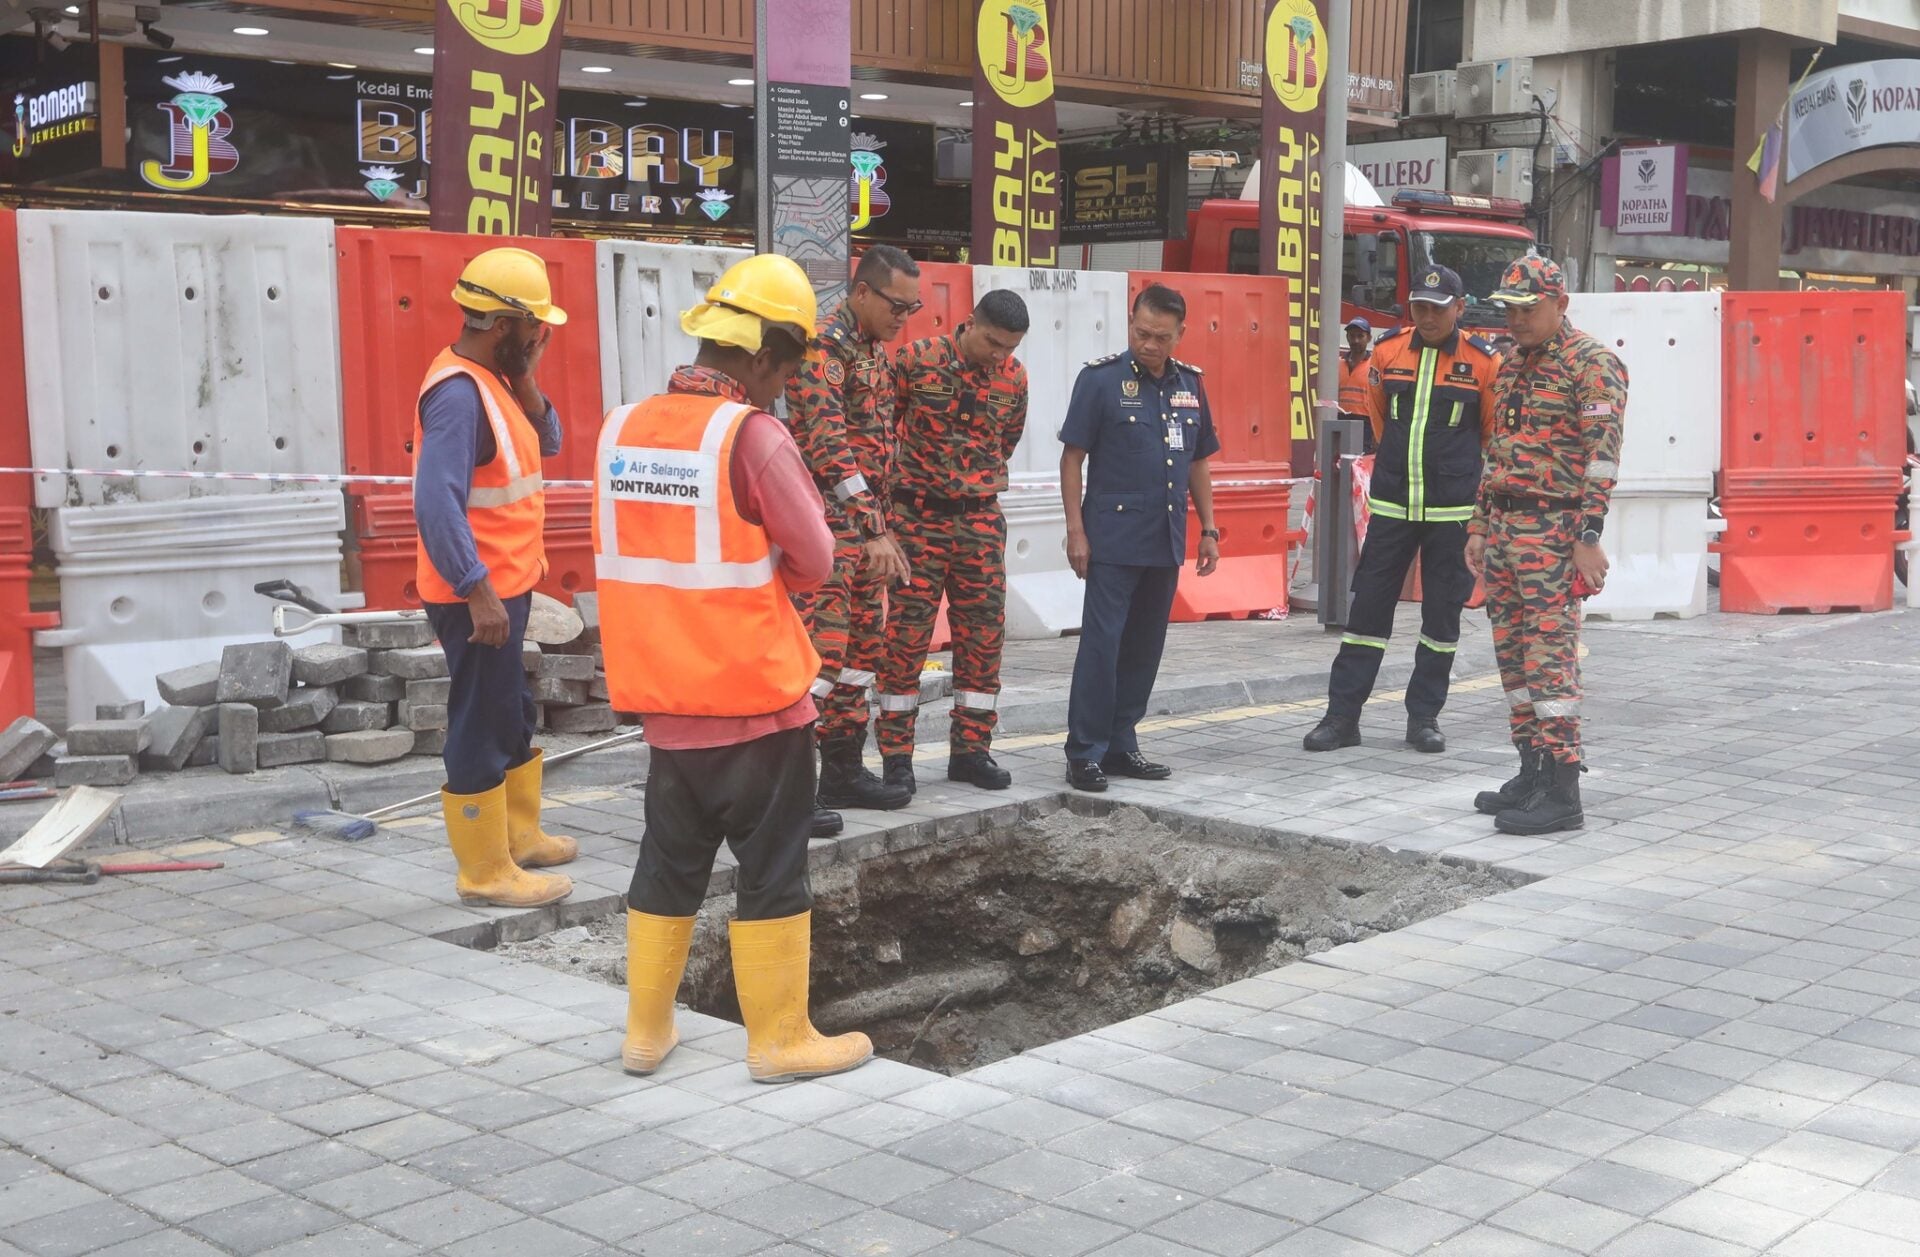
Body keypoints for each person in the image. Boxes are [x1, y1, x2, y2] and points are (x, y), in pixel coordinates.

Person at [596, 253, 872, 1084]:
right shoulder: (750, 435)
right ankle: (779, 1038)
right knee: (772, 868)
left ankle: (646, 1031)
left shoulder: (623, 427)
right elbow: (818, 557)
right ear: (757, 354)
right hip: (757, 700)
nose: (784, 385)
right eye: (786, 367)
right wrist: (775, 571)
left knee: (667, 863)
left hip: (668, 706)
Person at [413, 247, 576, 909]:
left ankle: (520, 836)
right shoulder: (458, 396)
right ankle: (484, 871)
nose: (542, 336)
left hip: (505, 586)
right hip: (475, 593)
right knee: (479, 724)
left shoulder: (497, 380)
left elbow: (553, 440)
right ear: (500, 323)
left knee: (509, 713)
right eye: (534, 326)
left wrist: (530, 378)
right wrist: (475, 586)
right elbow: (434, 500)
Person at [1303, 265, 1501, 756]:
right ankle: (1342, 718)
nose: (1427, 316)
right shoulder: (1387, 352)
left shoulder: (1483, 363)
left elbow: (1491, 434)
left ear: (1459, 308)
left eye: (1437, 307)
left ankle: (1424, 718)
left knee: (1441, 622)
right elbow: (1378, 415)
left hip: (1451, 514)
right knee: (1366, 615)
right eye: (1419, 307)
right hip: (1392, 506)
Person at [1467, 255, 1626, 836]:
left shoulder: (1593, 364)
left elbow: (1602, 458)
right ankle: (1531, 770)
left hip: (1555, 534)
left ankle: (1563, 789)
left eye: (1528, 310)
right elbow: (1499, 452)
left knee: (1550, 661)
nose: (1516, 320)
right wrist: (1481, 525)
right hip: (1508, 531)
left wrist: (1589, 536)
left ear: (1561, 303)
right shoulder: (1510, 365)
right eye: (1509, 310)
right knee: (1513, 659)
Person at [1060, 284, 1220, 793]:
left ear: (1180, 335)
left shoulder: (1190, 385)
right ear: (1131, 322)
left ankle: (1121, 743)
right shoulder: (1100, 381)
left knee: (1144, 647)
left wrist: (1209, 529)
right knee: (1102, 647)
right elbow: (1072, 459)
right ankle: (1085, 751)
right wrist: (1075, 531)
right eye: (1142, 332)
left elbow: (1197, 461)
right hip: (1111, 539)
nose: (1149, 344)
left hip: (1164, 538)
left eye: (1161, 337)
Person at [873, 291, 1031, 794]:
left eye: (1008, 347)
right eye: (992, 343)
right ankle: (897, 758)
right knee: (904, 643)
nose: (998, 355)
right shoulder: (916, 361)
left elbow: (1005, 442)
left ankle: (971, 751)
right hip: (917, 520)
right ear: (969, 325)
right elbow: (883, 432)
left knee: (983, 643)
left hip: (980, 523)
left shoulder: (1014, 377)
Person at [785, 245, 922, 818]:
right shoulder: (821, 350)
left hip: (869, 535)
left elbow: (881, 449)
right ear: (861, 292)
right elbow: (826, 443)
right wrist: (870, 529)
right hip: (829, 534)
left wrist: (883, 528)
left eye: (912, 309)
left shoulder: (872, 353)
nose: (903, 319)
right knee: (822, 656)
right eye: (897, 305)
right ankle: (790, 791)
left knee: (864, 652)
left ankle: (840, 772)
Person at [1338, 316, 1384, 452]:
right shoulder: (1338, 364)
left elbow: (1381, 398)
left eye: (1360, 336)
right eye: (1352, 336)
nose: (1355, 340)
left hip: (1365, 423)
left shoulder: (1375, 366)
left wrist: (1378, 432)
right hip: (1339, 420)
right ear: (1347, 337)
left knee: (1360, 464)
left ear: (1369, 338)